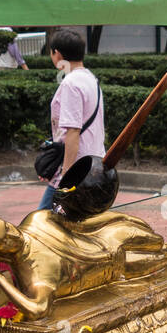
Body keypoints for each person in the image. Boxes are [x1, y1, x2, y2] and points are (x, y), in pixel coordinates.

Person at [37, 29, 105, 211]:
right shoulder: (91, 79)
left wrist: (65, 178)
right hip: (95, 165)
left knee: (41, 223)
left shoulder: (70, 84)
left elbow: (73, 132)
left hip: (76, 169)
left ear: (56, 53)